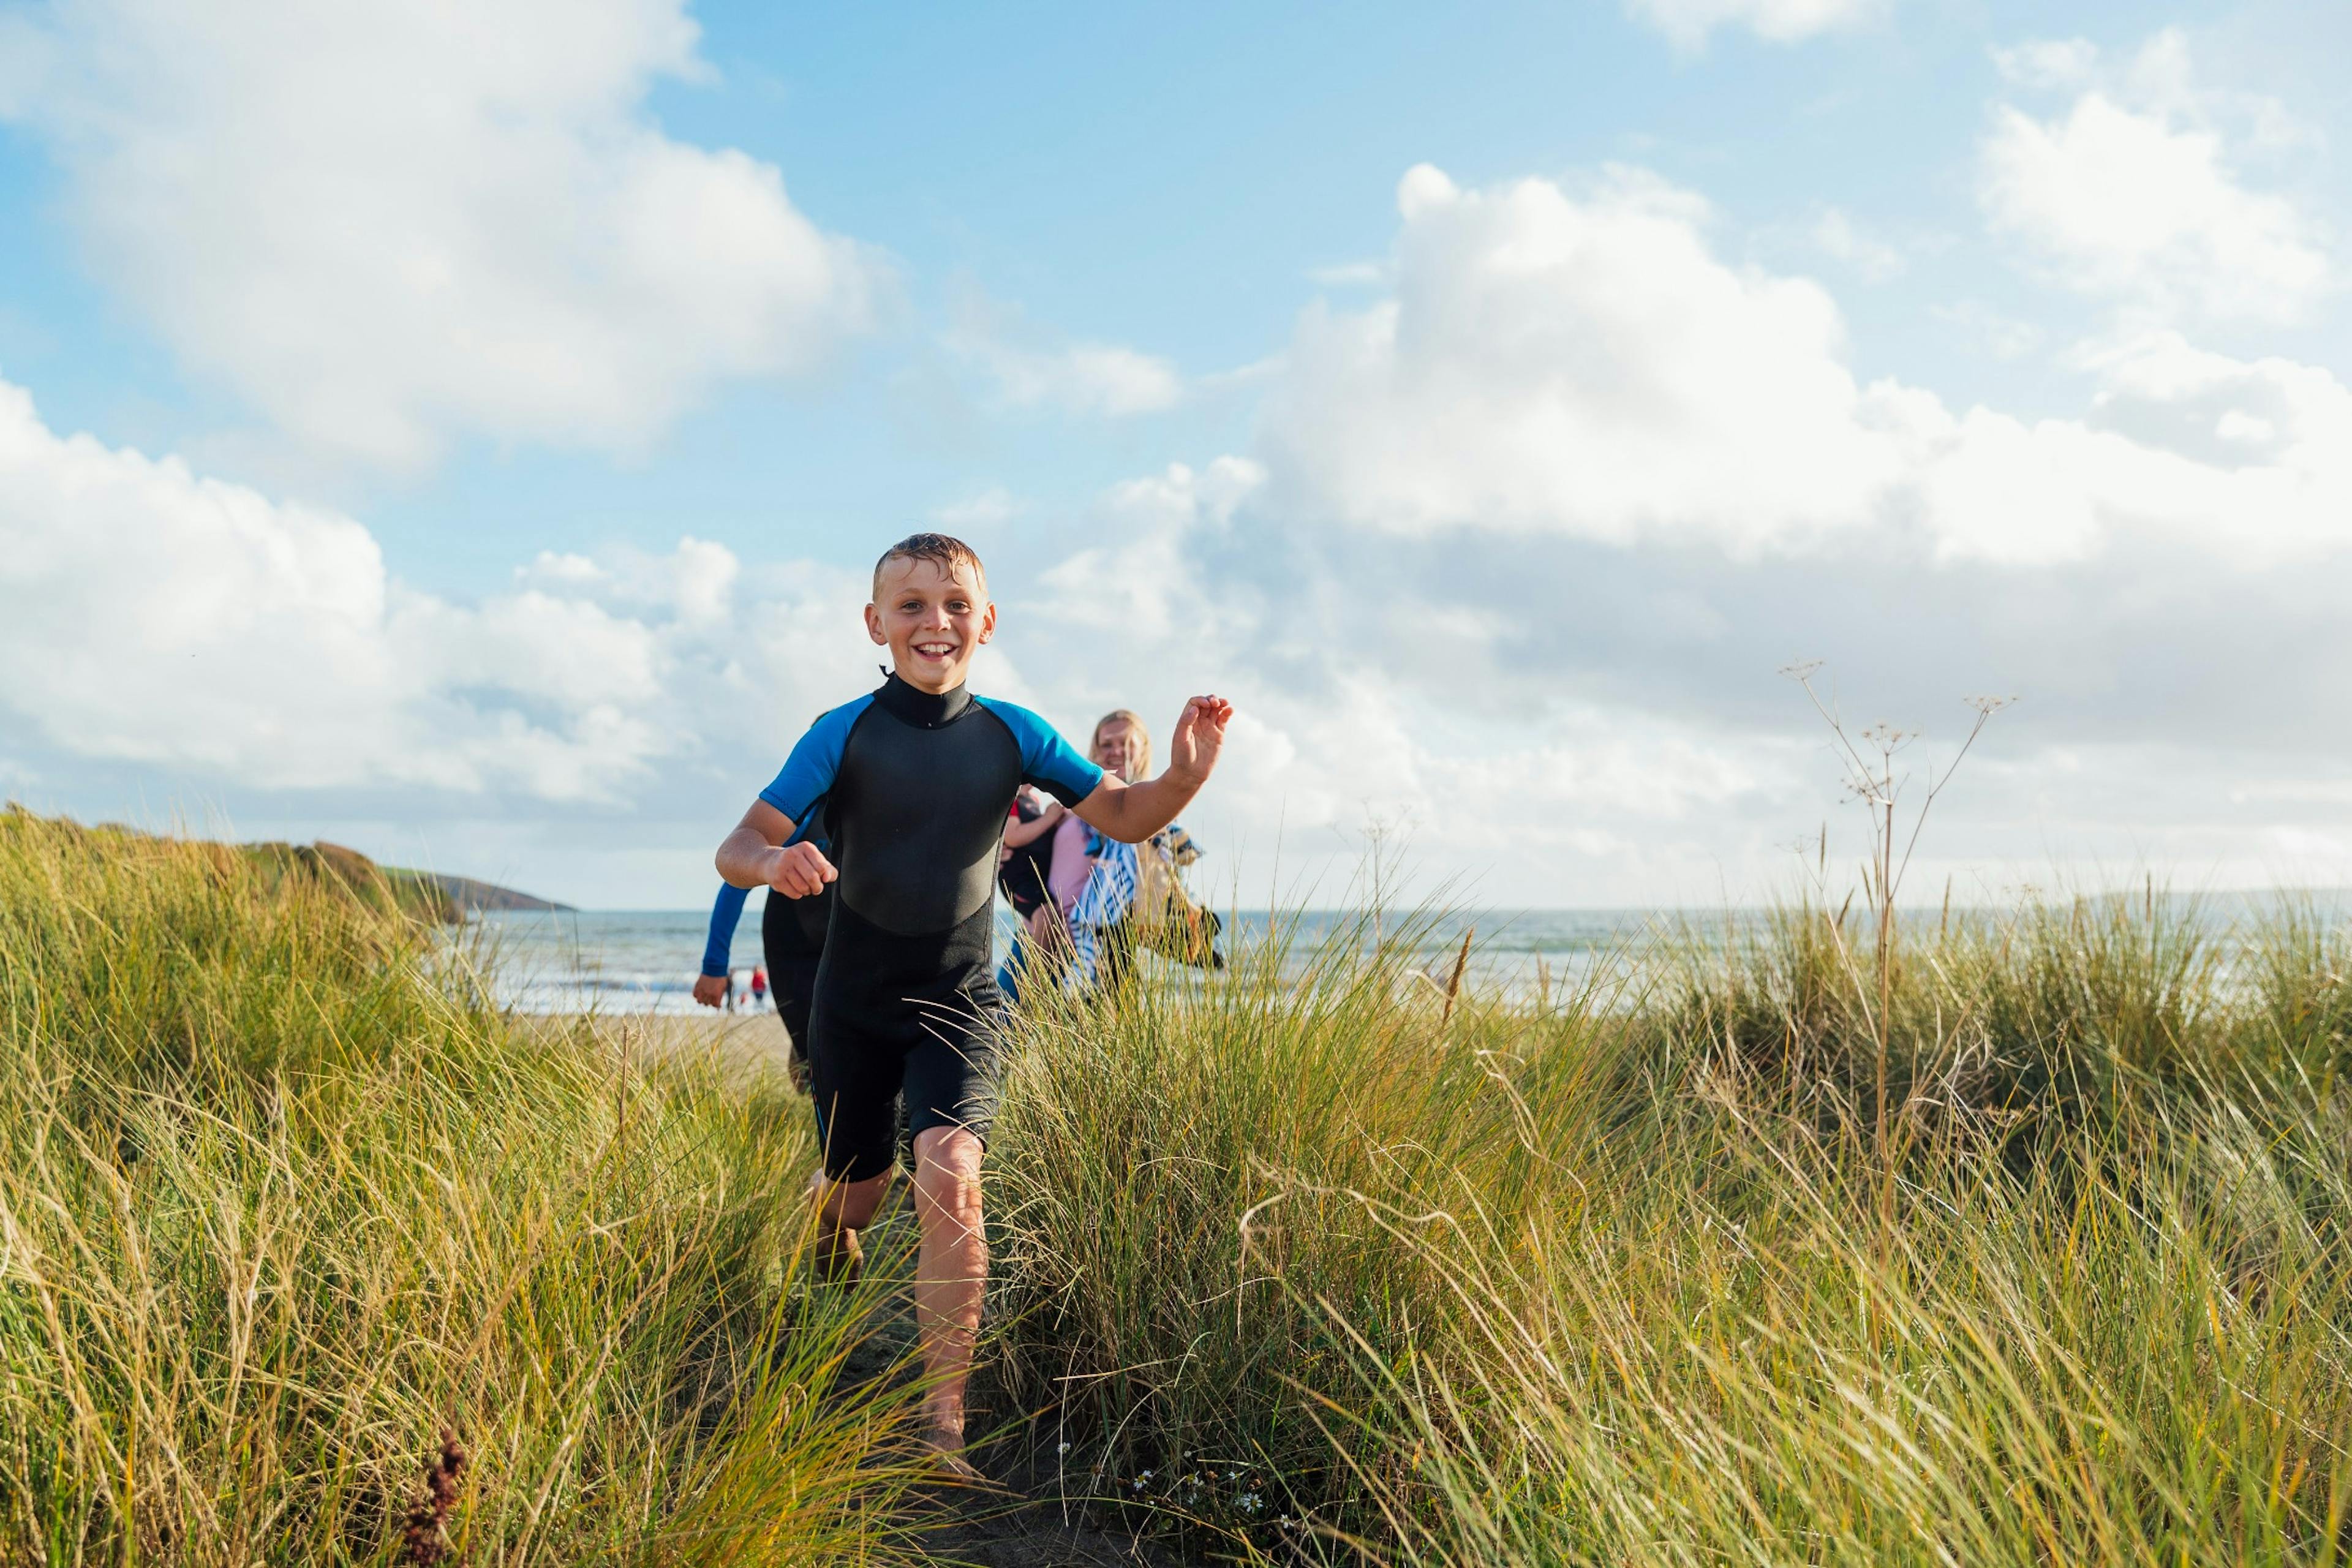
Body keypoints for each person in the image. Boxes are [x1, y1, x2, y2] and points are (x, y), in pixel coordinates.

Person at [714, 532, 1231, 1477]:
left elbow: (1119, 813)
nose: (934, 621)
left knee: (952, 1174)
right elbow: (738, 844)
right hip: (854, 1006)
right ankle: (829, 1241)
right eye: (909, 605)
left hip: (958, 998)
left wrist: (1185, 777)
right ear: (876, 623)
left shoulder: (1013, 734)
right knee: (854, 1200)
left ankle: (940, 1421)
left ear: (986, 622)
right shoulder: (844, 733)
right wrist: (773, 862)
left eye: (955, 603)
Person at [693, 809, 835, 1091]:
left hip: (852, 946)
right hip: (795, 949)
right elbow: (736, 885)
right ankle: (803, 1053)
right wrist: (714, 966)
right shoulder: (805, 808)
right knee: (818, 1069)